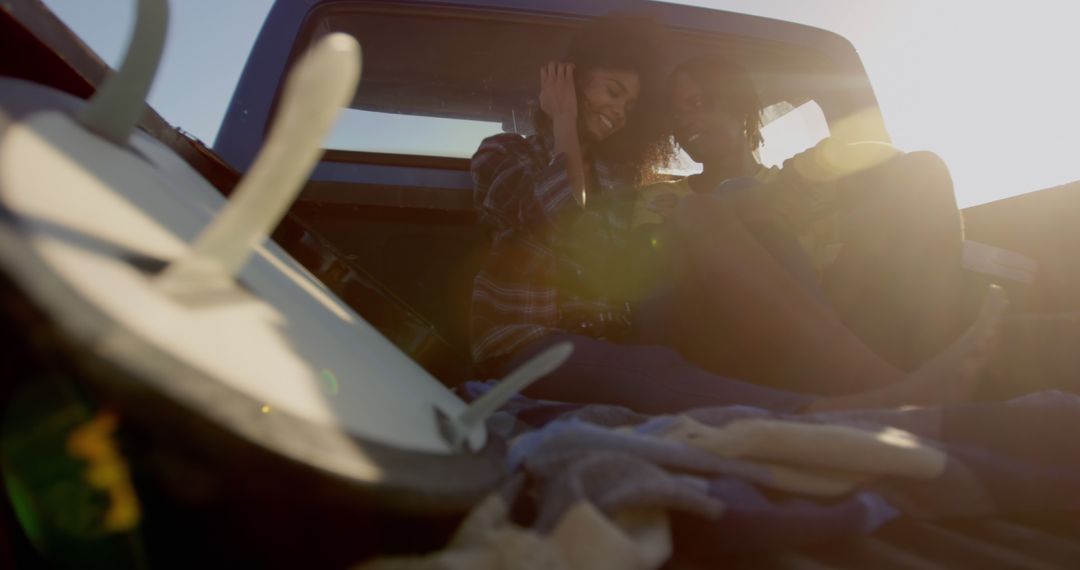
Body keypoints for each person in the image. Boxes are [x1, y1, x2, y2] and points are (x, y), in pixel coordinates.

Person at [470, 16, 1007, 415]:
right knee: (670, 337)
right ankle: (870, 399)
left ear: (740, 105)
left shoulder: (620, 179)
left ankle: (900, 378)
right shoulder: (505, 154)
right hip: (537, 335)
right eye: (612, 91)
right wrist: (562, 118)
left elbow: (863, 160)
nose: (619, 112)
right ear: (570, 80)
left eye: (630, 104)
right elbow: (564, 211)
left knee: (919, 171)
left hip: (628, 328)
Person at [631, 54, 980, 396]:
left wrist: (815, 167)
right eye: (677, 112)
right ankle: (883, 383)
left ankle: (935, 362)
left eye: (699, 102)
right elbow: (650, 277)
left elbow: (887, 156)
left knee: (924, 168)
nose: (685, 119)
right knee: (737, 192)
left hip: (831, 319)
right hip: (729, 339)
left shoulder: (794, 179)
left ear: (739, 106)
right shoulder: (663, 196)